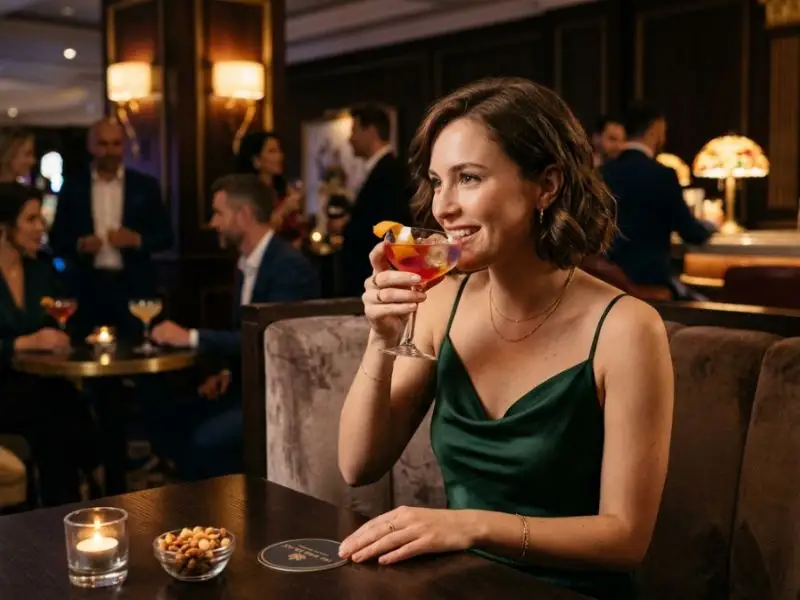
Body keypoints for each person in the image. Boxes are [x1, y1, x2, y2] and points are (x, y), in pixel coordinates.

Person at [336, 78, 674, 600]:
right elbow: (357, 466)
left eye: (468, 178)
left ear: (547, 185)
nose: (443, 207)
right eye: (437, 182)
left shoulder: (628, 328)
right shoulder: (442, 303)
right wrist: (381, 338)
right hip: (459, 586)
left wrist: (471, 525)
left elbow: (627, 539)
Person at [151, 174, 320, 479]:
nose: (213, 223)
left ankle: (231, 504)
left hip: (280, 396)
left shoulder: (290, 267)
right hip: (248, 386)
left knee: (203, 441)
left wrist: (190, 337)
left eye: (218, 213)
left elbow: (268, 340)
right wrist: (228, 372)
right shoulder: (246, 262)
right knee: (168, 418)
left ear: (243, 215)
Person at [0, 182, 101, 506]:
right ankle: (91, 479)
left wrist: (63, 335)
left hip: (35, 383)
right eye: (31, 219)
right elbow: (28, 339)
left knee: (57, 410)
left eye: (41, 219)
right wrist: (21, 343)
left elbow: (63, 318)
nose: (41, 227)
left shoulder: (40, 269)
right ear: (4, 227)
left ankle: (61, 506)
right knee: (60, 407)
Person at [49, 118, 173, 339]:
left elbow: (166, 236)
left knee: (136, 347)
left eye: (116, 144)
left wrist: (137, 240)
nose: (110, 151)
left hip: (133, 288)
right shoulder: (73, 186)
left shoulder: (145, 186)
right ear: (91, 146)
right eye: (103, 144)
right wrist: (79, 244)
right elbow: (56, 238)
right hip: (87, 288)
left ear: (124, 146)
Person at [601, 104, 714, 298]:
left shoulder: (601, 173)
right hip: (649, 281)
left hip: (605, 281)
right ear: (655, 129)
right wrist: (711, 227)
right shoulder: (662, 175)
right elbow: (691, 232)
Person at [339, 103, 413, 297]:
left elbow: (390, 225)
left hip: (377, 279)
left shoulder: (390, 172)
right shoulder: (382, 170)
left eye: (354, 131)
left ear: (370, 131)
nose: (350, 139)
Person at [235, 131, 306, 248]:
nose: (280, 156)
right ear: (256, 160)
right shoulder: (247, 195)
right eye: (272, 151)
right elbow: (256, 237)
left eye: (279, 150)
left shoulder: (283, 190)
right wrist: (284, 209)